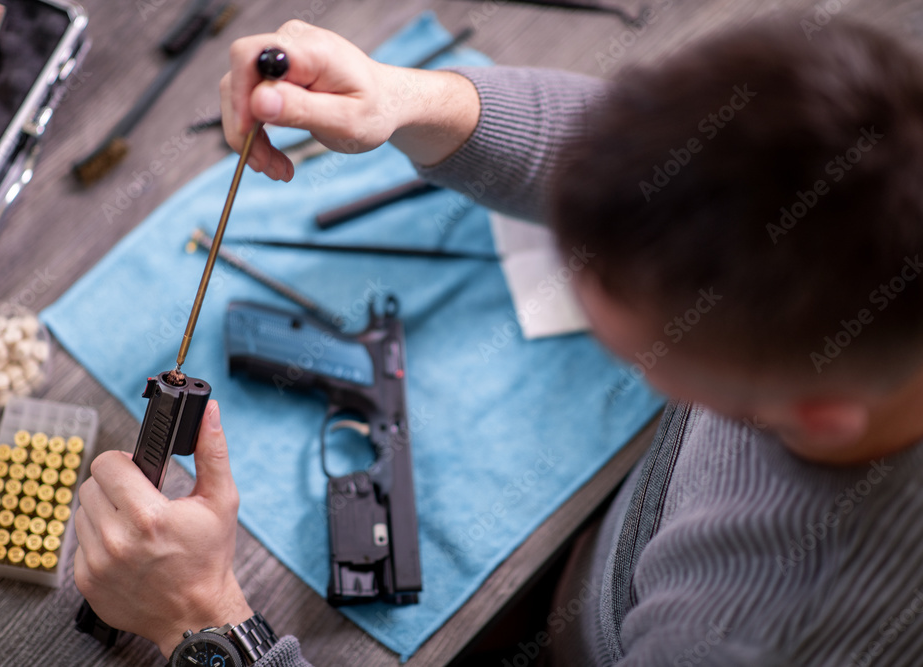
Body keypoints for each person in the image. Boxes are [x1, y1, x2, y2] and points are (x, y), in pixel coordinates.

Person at [74, 13, 923, 666]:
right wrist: (409, 98)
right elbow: (635, 159)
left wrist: (208, 623)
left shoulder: (742, 629)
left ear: (816, 411)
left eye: (635, 348)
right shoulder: (882, 151)